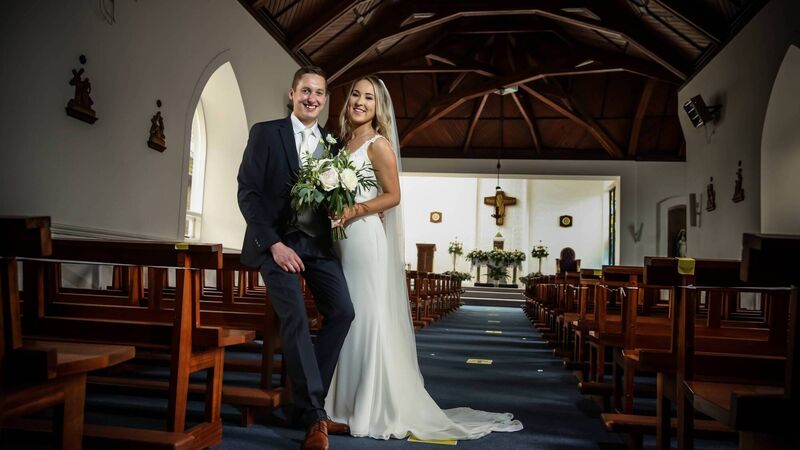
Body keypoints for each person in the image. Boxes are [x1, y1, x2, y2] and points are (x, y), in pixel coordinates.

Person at [325, 76, 523, 440]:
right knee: (348, 316)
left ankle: (368, 404)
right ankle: (342, 401)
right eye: (355, 94)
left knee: (365, 317)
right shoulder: (340, 143)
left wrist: (356, 209)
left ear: (378, 107)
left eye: (369, 98)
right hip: (342, 239)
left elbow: (394, 196)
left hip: (364, 239)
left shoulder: (377, 144)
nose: (360, 102)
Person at [237, 66, 354, 450]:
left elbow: (338, 199)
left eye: (319, 93)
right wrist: (273, 244)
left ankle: (306, 404)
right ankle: (316, 418)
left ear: (324, 99)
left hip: (318, 245)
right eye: (306, 91)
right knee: (296, 318)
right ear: (292, 93)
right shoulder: (265, 133)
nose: (312, 99)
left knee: (342, 312)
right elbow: (249, 192)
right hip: (276, 245)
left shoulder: (334, 147)